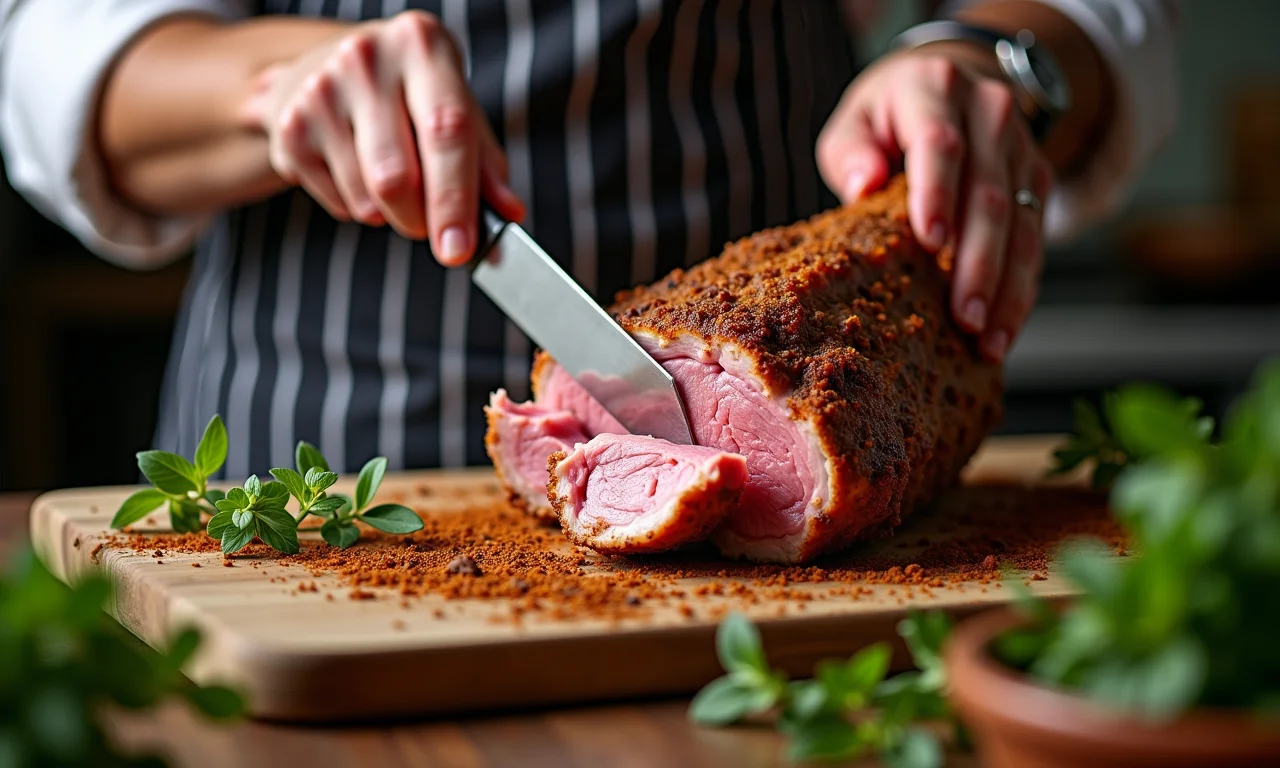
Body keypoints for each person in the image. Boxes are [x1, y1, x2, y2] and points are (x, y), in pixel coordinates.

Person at [0, 0, 1176, 478]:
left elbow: (1090, 15)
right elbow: (49, 53)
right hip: (305, 454)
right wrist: (267, 84)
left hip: (801, 427)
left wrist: (982, 58)